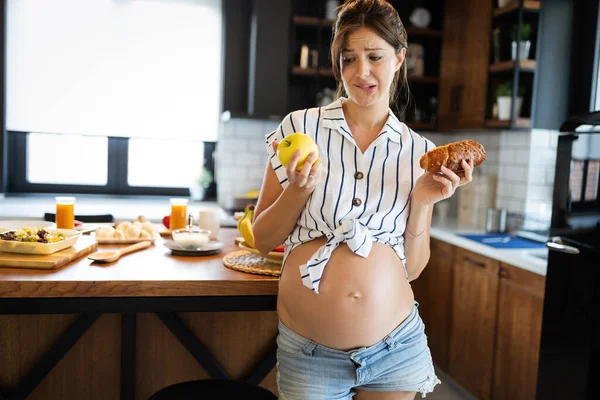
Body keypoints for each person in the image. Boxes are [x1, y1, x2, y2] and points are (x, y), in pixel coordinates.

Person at [253, 0, 474, 398]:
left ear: (400, 58)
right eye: (348, 58)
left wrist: (423, 201)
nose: (361, 72)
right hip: (311, 354)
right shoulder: (300, 128)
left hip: (397, 348)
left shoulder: (417, 152)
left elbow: (412, 269)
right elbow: (262, 238)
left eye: (375, 56)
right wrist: (300, 189)